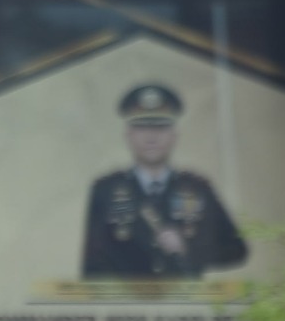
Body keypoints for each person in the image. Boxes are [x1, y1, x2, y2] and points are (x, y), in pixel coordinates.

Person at [81, 83, 246, 279]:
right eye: (141, 127)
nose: (151, 137)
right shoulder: (105, 190)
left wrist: (189, 249)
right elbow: (91, 268)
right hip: (127, 306)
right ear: (129, 135)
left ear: (174, 134)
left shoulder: (198, 188)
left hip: (186, 306)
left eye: (160, 126)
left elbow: (236, 249)